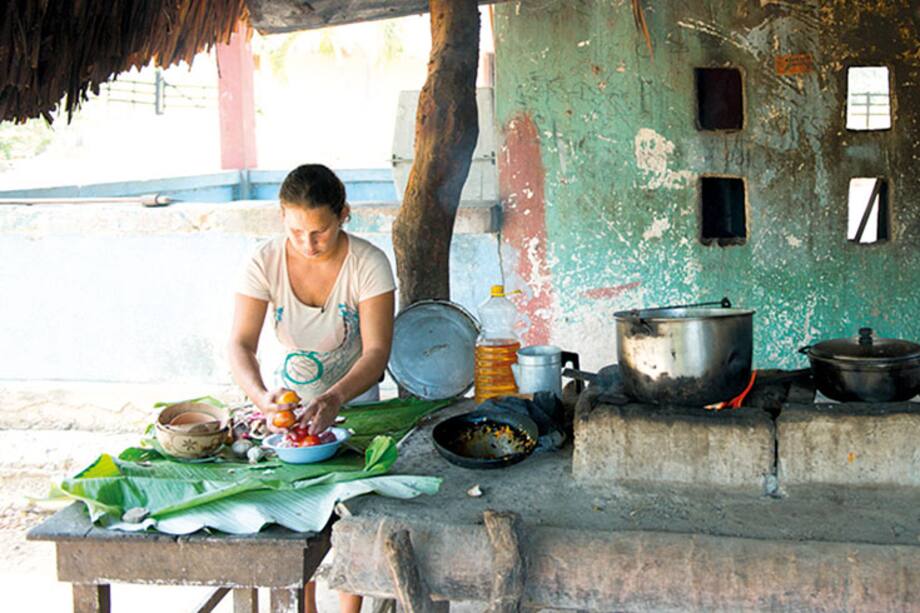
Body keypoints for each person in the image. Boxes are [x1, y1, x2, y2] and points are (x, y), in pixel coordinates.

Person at [228, 163, 395, 613]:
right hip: (287, 412)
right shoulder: (263, 261)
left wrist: (335, 397)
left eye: (319, 231)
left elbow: (376, 354)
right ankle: (304, 607)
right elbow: (240, 346)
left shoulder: (369, 263)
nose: (308, 244)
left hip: (356, 404)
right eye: (296, 231)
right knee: (294, 515)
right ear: (282, 217)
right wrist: (262, 398)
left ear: (344, 214)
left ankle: (349, 609)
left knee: (351, 514)